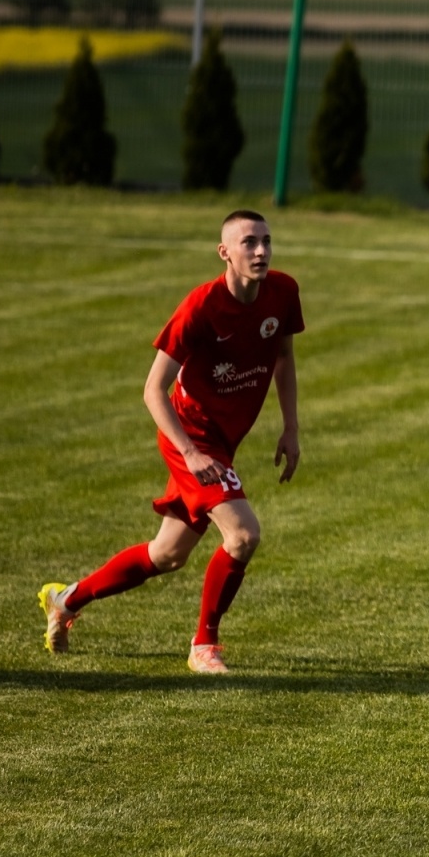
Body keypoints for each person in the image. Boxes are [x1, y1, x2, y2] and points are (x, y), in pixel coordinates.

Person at [38, 210, 304, 675]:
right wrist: (191, 451)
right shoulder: (201, 306)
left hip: (224, 438)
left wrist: (292, 427)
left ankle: (65, 599)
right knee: (243, 536)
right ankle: (204, 645)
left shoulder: (283, 292)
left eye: (265, 241)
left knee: (168, 555)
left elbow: (283, 354)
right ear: (225, 252)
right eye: (248, 243)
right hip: (192, 437)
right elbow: (152, 389)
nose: (260, 251)